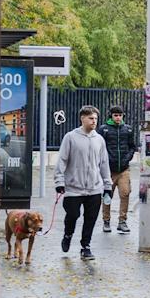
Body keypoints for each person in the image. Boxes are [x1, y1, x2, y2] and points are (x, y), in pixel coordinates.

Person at [54, 105, 112, 260]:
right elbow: (62, 160)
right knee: (72, 214)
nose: (94, 122)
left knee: (91, 218)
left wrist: (108, 185)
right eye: (91, 118)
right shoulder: (71, 137)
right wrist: (59, 181)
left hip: (94, 188)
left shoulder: (99, 139)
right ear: (82, 118)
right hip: (73, 188)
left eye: (95, 119)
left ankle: (85, 246)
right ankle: (68, 235)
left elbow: (104, 163)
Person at [98, 104, 136, 234]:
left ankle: (122, 221)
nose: (118, 118)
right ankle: (106, 221)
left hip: (124, 168)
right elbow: (99, 147)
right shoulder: (104, 129)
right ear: (111, 116)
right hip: (108, 170)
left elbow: (132, 146)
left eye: (120, 115)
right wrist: (105, 161)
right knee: (107, 195)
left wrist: (128, 158)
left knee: (125, 193)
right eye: (115, 115)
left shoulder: (128, 130)